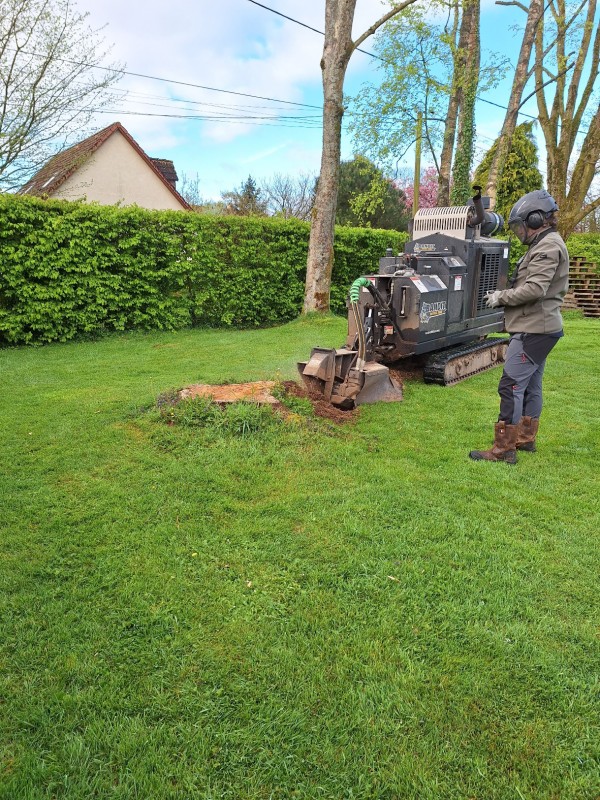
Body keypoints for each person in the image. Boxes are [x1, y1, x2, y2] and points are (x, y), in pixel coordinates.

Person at [469, 189, 569, 463]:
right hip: (541, 328)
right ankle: (526, 439)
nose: (519, 232)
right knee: (531, 385)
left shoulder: (548, 246)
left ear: (537, 219)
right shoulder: (546, 244)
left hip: (534, 329)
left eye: (521, 225)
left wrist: (501, 297)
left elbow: (535, 289)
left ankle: (504, 449)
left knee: (510, 385)